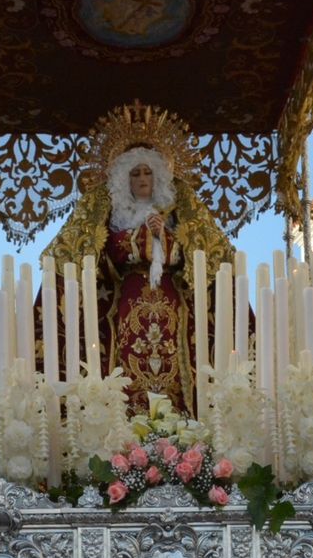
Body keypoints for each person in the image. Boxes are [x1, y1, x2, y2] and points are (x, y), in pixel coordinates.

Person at [44, 102, 235, 416]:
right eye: (136, 173)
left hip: (171, 298)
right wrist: (140, 239)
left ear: (159, 176)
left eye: (148, 172)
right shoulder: (115, 215)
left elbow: (201, 254)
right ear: (125, 180)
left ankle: (180, 418)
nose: (143, 178)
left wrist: (166, 237)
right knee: (129, 353)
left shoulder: (176, 211)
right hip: (129, 296)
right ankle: (128, 417)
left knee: (176, 355)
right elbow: (102, 251)